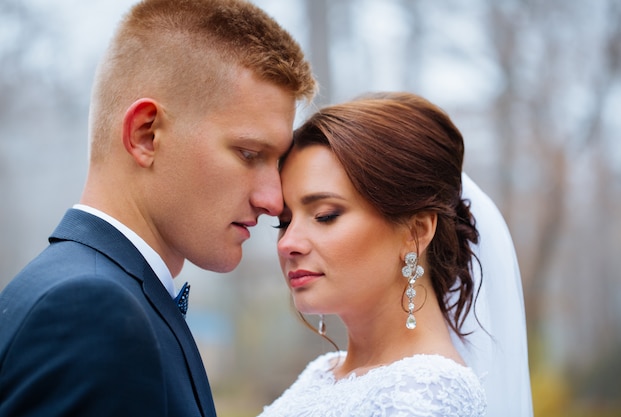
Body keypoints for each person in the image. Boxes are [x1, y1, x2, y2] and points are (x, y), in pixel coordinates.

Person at [0, 0, 315, 416]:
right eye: (248, 153)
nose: (273, 200)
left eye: (276, 163)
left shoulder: (81, 289)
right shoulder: (94, 312)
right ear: (146, 135)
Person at [258, 92, 532, 416]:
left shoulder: (425, 396)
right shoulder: (320, 374)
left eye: (325, 215)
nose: (287, 243)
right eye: (284, 222)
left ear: (416, 232)